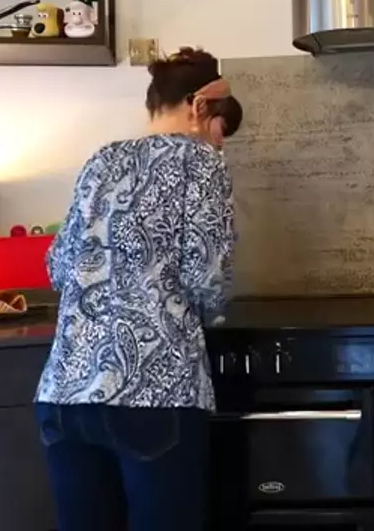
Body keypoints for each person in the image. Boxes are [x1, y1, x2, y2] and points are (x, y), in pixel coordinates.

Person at [34, 47, 241, 531]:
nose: (220, 142)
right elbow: (206, 276)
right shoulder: (202, 163)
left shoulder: (101, 159)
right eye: (221, 128)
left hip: (66, 395)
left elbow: (58, 267)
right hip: (155, 392)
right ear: (199, 107)